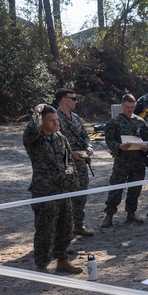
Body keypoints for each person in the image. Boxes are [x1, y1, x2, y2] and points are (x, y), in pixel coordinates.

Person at [23, 105, 82, 274]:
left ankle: (62, 260)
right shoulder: (34, 139)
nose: (56, 123)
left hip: (63, 189)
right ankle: (41, 265)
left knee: (66, 225)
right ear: (41, 121)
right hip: (44, 191)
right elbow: (31, 129)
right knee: (45, 229)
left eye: (57, 119)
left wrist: (70, 175)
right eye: (52, 120)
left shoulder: (60, 138)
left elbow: (69, 161)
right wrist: (36, 111)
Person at [102, 94, 148, 227]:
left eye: (132, 107)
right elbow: (109, 140)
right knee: (116, 188)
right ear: (122, 105)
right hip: (122, 161)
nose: (130, 110)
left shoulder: (141, 122)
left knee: (135, 188)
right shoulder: (114, 122)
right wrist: (119, 146)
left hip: (138, 161)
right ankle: (109, 214)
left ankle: (131, 213)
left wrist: (147, 148)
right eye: (127, 107)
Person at [55, 88, 95, 237]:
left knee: (82, 193)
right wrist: (70, 154)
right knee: (67, 197)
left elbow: (85, 135)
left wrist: (88, 146)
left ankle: (78, 224)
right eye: (73, 98)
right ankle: (65, 230)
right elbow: (53, 144)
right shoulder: (54, 118)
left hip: (81, 163)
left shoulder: (76, 118)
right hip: (66, 164)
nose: (76, 101)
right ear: (64, 100)